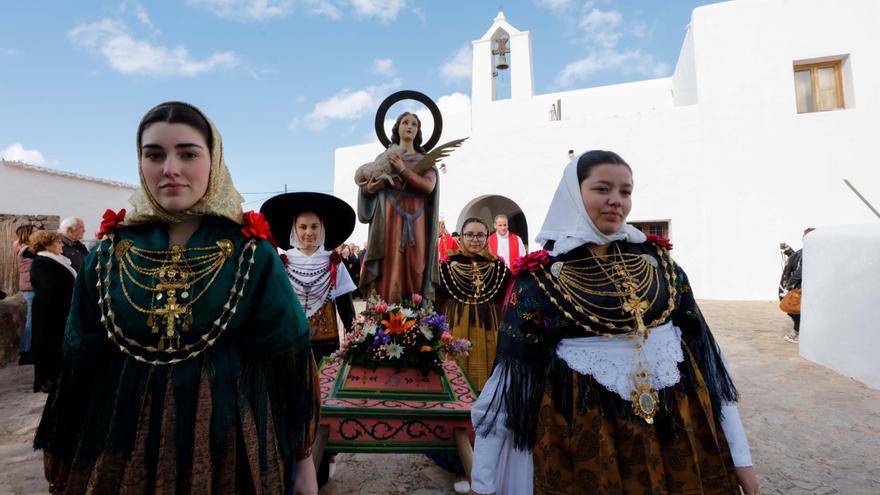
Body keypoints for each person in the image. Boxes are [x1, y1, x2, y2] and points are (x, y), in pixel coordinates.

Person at [34, 101, 319, 495]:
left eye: (188, 153)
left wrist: (303, 463)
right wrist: (65, 451)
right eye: (155, 154)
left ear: (213, 159)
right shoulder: (108, 254)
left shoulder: (250, 252)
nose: (170, 168)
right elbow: (80, 356)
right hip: (121, 435)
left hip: (228, 438)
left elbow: (286, 356)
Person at [470, 151, 759, 495]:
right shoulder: (538, 282)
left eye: (626, 192)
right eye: (602, 189)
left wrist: (741, 458)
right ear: (574, 196)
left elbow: (709, 362)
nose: (616, 202)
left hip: (677, 434)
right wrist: (483, 483)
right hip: (585, 442)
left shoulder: (661, 265)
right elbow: (507, 389)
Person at [260, 192, 358, 364]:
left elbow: (346, 307)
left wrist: (355, 343)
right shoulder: (283, 263)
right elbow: (274, 307)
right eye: (303, 227)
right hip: (290, 341)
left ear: (322, 228)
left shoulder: (334, 263)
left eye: (314, 227)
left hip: (327, 343)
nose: (309, 232)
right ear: (294, 229)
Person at [358, 112, 439, 303]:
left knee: (416, 265)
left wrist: (402, 168)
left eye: (414, 124)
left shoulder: (425, 161)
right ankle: (383, 313)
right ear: (397, 128)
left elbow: (428, 186)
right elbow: (366, 186)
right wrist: (370, 188)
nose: (409, 126)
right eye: (405, 123)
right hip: (388, 217)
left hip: (417, 219)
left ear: (418, 131)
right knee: (388, 263)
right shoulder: (384, 157)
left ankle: (417, 317)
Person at [437, 217, 510, 390]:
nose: (475, 240)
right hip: (455, 324)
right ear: (461, 237)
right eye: (469, 235)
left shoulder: (499, 267)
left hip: (489, 325)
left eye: (480, 235)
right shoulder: (445, 266)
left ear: (487, 237)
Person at [28, 230, 76, 393]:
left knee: (56, 342)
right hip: (48, 310)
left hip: (59, 308)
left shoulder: (57, 260)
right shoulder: (41, 262)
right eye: (57, 242)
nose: (61, 244)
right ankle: (43, 379)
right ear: (47, 245)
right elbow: (51, 286)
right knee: (46, 342)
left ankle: (56, 375)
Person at [779, 228, 815, 343]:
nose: (804, 239)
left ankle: (798, 333)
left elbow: (801, 270)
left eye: (806, 236)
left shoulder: (811, 252)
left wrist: (790, 283)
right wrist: (789, 251)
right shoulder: (808, 250)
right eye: (804, 236)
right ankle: (799, 332)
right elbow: (797, 258)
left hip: (802, 286)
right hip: (800, 286)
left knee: (795, 310)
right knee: (794, 310)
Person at [12, 223, 37, 365]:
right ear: (27, 234)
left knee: (32, 320)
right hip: (30, 288)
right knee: (31, 321)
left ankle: (27, 351)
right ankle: (26, 352)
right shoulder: (26, 249)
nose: (37, 234)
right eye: (34, 232)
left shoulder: (22, 248)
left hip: (30, 287)